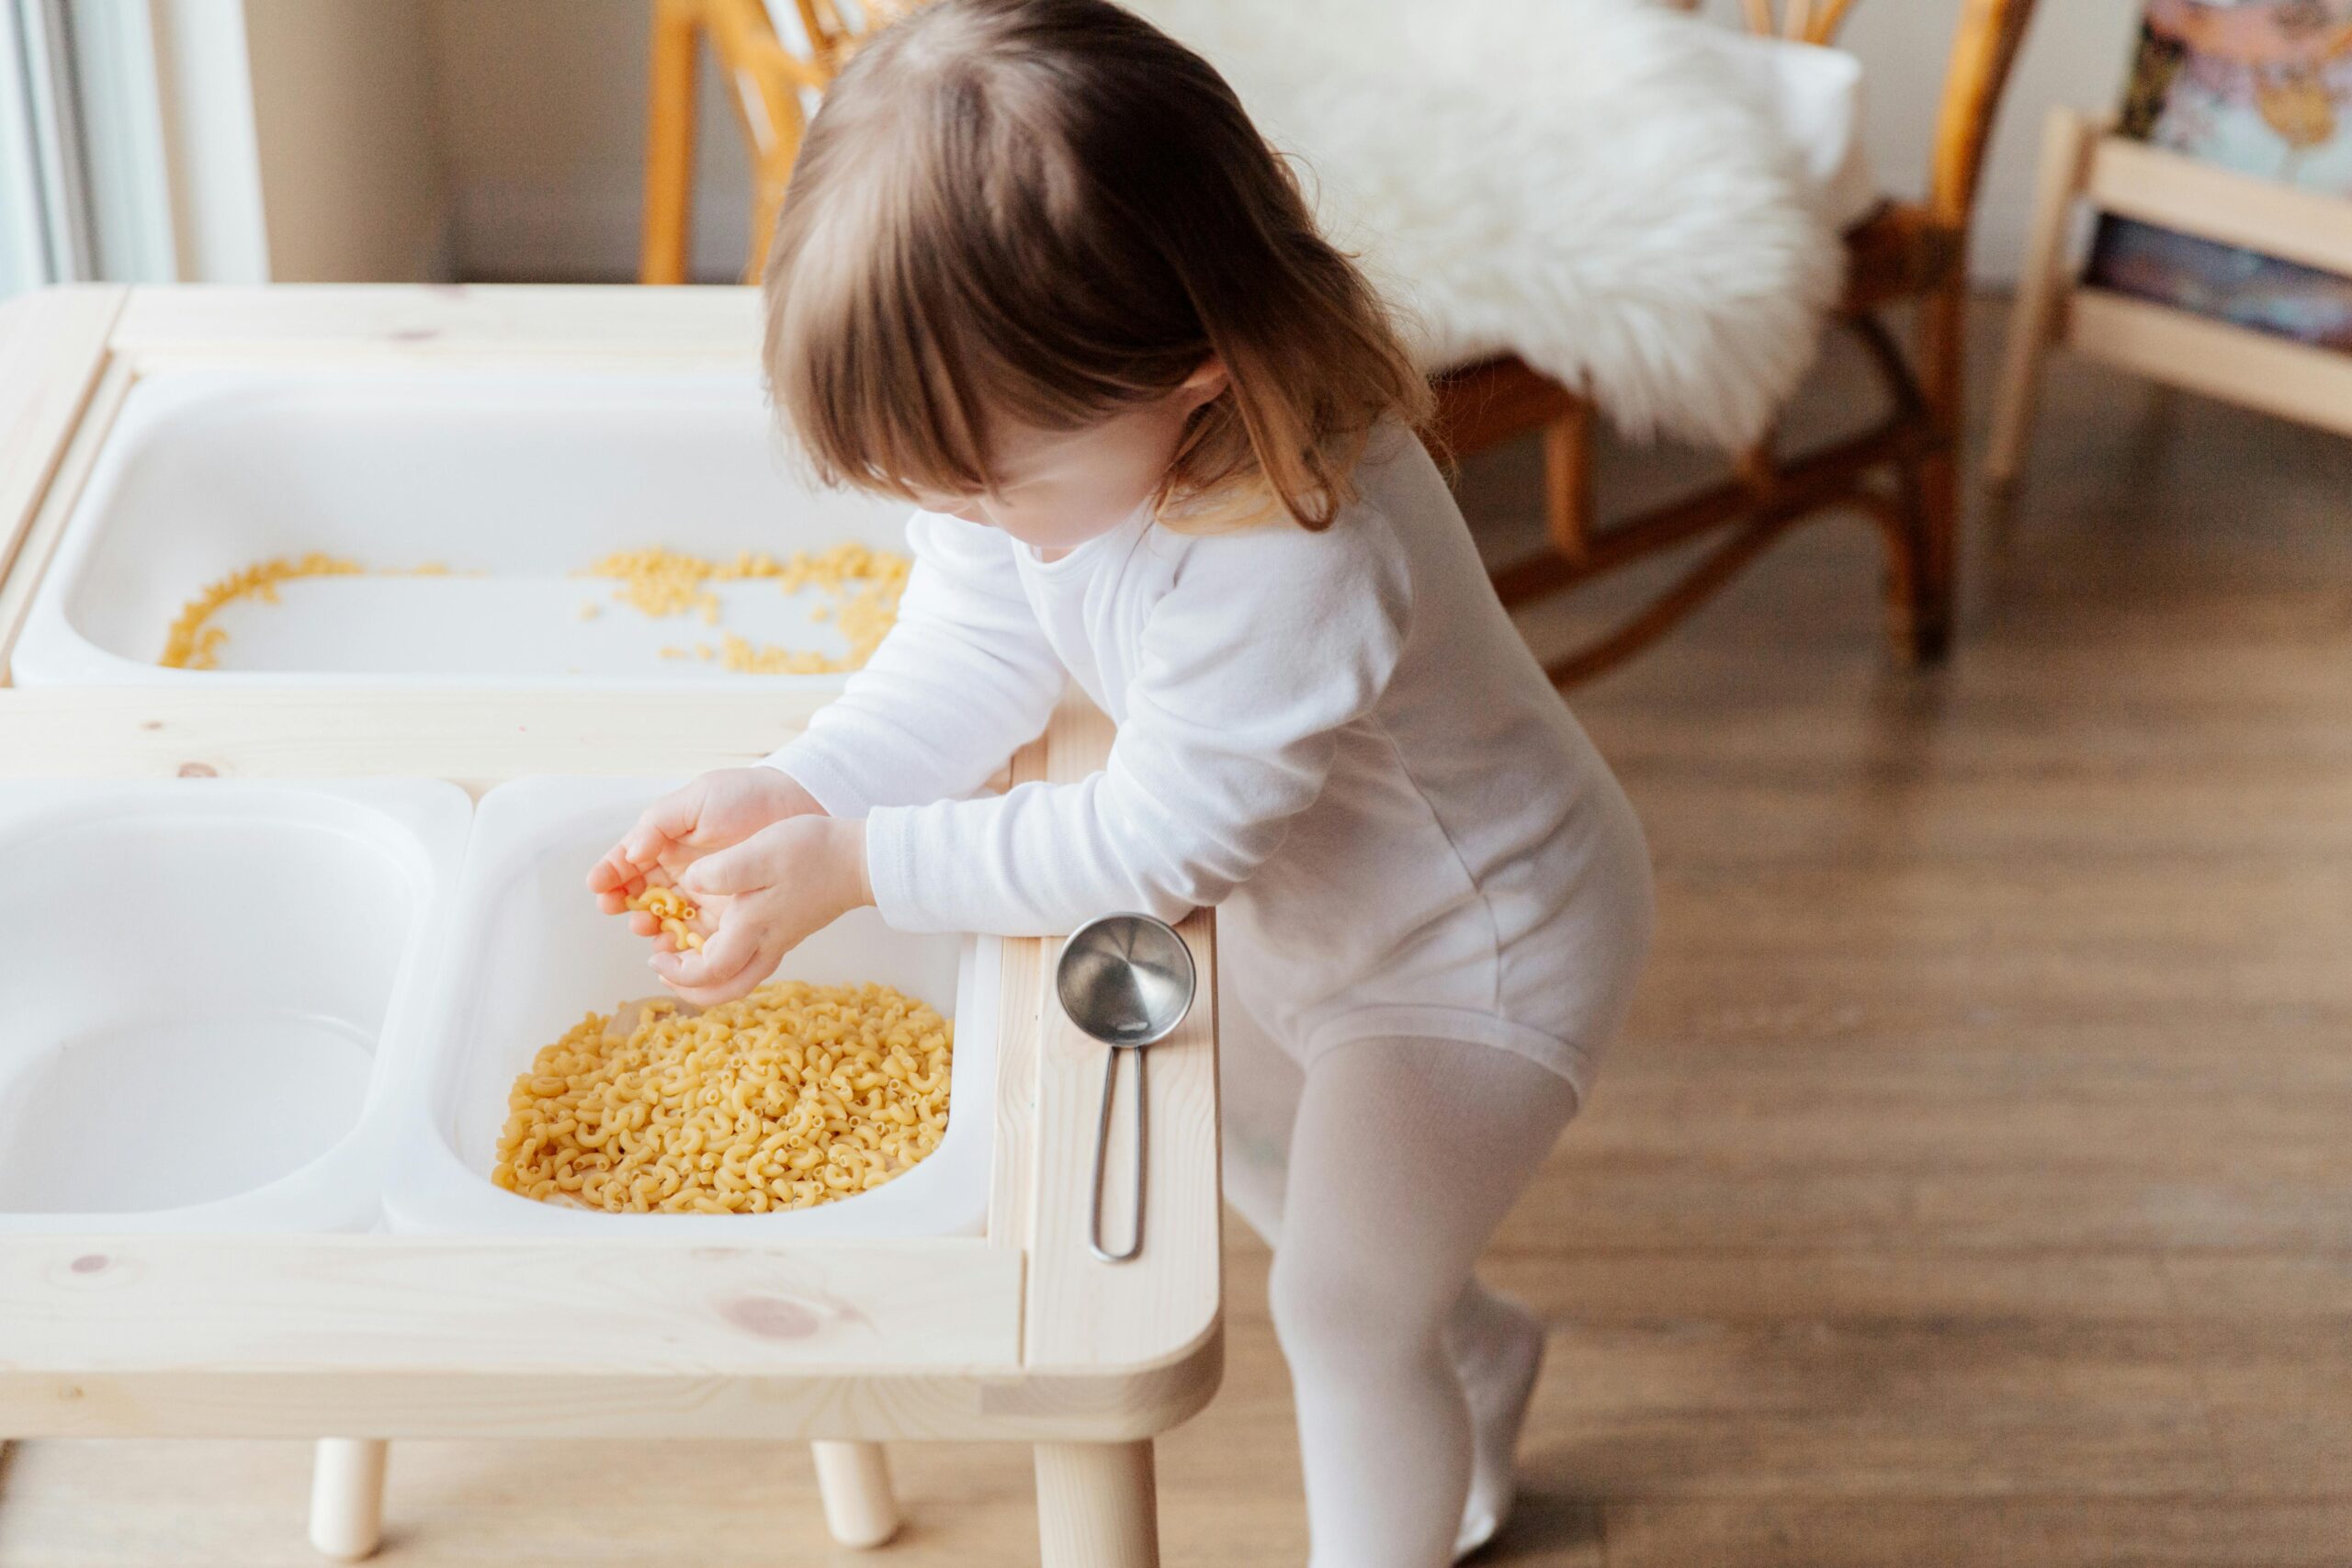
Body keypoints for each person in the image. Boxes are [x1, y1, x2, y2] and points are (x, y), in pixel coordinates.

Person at [589, 3, 1653, 1561]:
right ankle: (1470, 1336)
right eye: (935, 485)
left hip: (1476, 953)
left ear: (1198, 376)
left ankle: (1416, 1398)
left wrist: (870, 866)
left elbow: (1164, 842)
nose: (973, 516)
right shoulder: (1031, 434)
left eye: (995, 482)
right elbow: (969, 650)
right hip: (1304, 920)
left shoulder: (1296, 543)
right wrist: (804, 787)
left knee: (1342, 1309)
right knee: (1253, 1160)